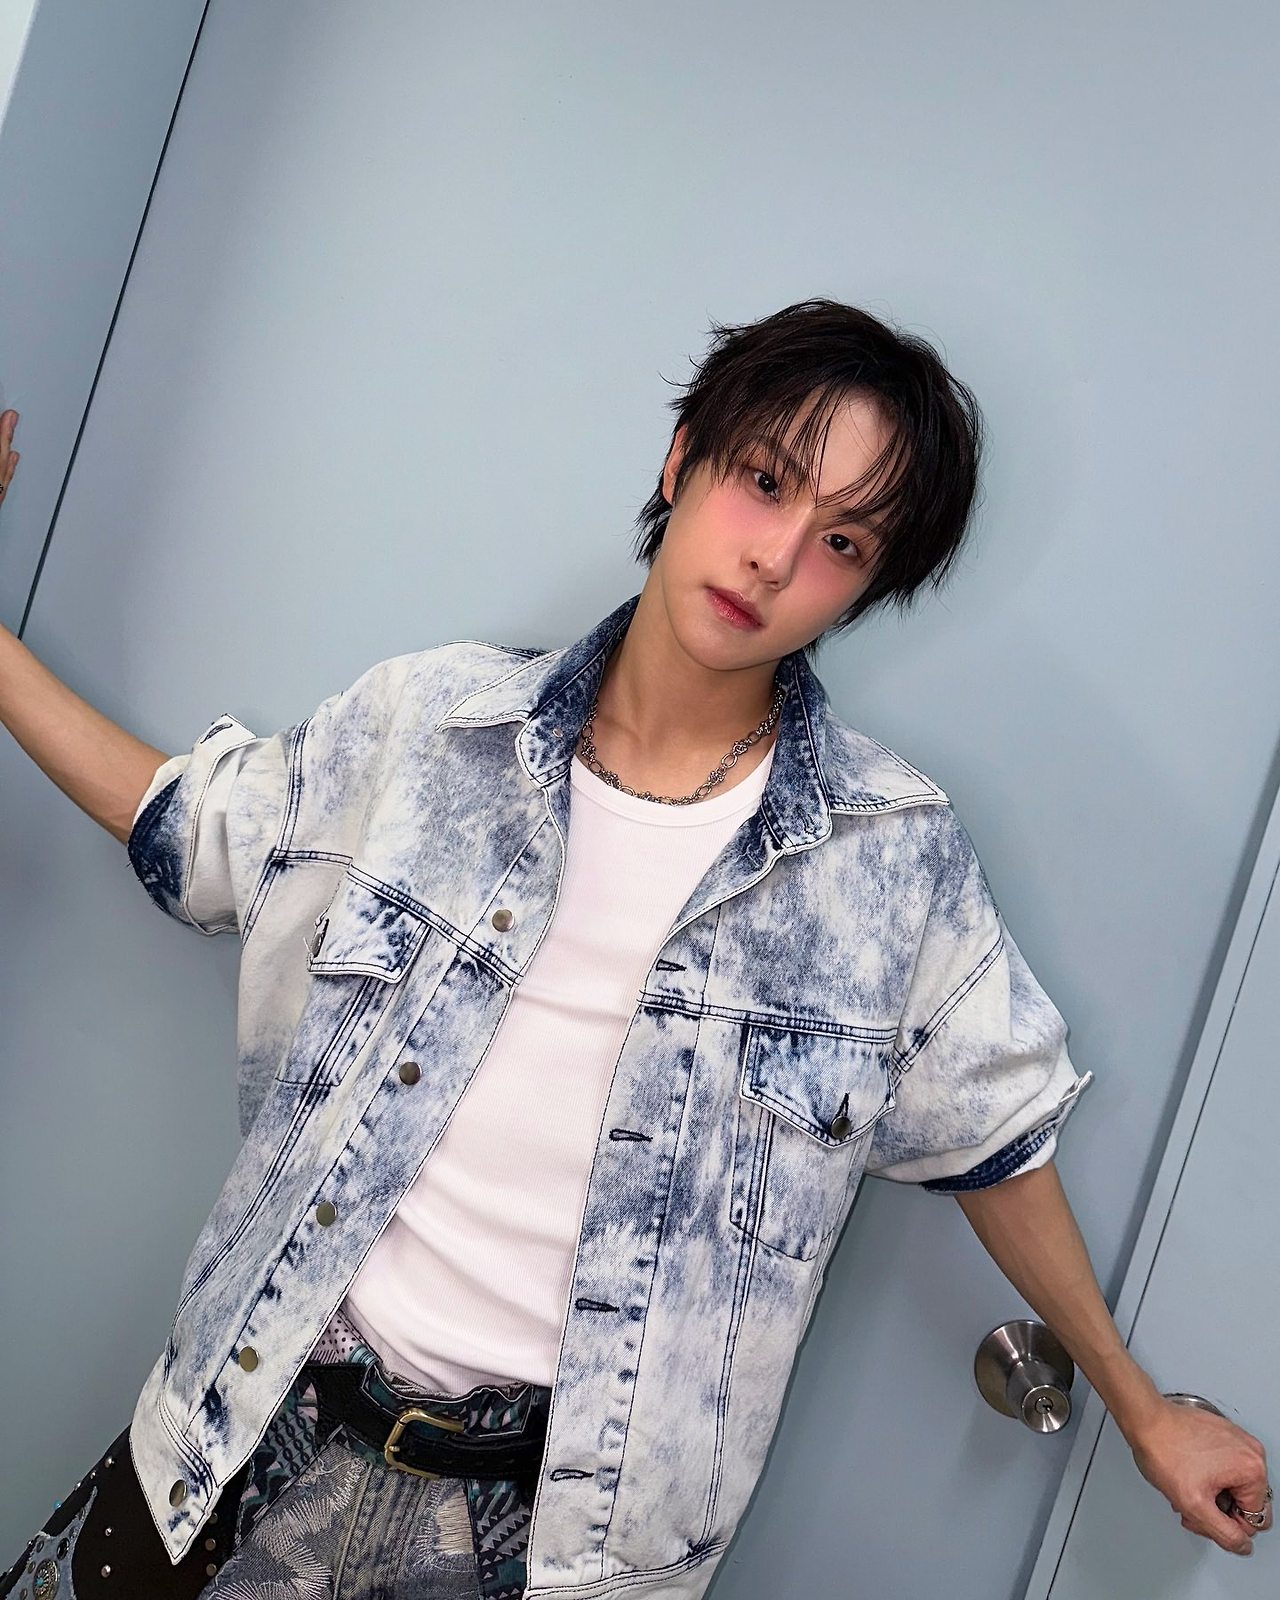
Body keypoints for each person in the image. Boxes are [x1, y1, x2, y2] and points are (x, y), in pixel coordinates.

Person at [0, 298, 1270, 1599]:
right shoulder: (437, 726)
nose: (774, 556)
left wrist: (1141, 1408)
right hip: (245, 1428)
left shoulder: (886, 863)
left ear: (865, 587)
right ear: (681, 460)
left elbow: (995, 1146)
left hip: (536, 1544)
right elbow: (192, 829)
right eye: (763, 481)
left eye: (839, 542)